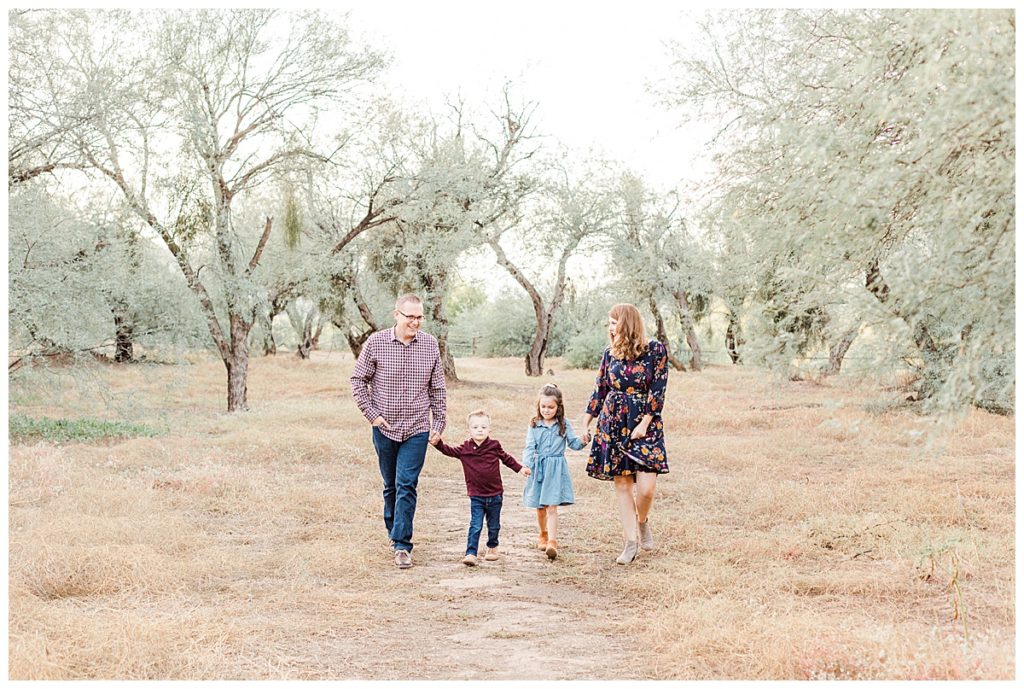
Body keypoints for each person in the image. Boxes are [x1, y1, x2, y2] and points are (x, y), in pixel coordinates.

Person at [350, 293, 446, 569]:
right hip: (385, 428)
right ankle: (394, 532)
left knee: (406, 484)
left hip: (417, 427)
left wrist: (438, 424)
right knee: (390, 485)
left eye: (419, 317)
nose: (415, 322)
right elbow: (358, 380)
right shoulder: (376, 343)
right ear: (397, 315)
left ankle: (402, 545)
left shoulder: (429, 346)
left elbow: (437, 388)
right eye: (410, 317)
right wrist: (373, 415)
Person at [582, 303, 669, 565]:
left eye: (613, 322)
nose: (609, 327)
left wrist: (645, 422)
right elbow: (600, 388)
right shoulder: (610, 353)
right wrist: (586, 421)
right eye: (608, 323)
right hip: (613, 421)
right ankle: (630, 542)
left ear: (628, 323)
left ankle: (642, 521)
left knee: (646, 489)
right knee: (622, 484)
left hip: (645, 422)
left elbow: (658, 388)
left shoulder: (654, 350)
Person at [430, 409, 531, 566]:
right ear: (469, 430)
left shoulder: (494, 446)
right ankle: (471, 552)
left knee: (494, 525)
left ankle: (492, 547)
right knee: (475, 524)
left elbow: (507, 459)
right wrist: (438, 443)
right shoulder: (465, 448)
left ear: (489, 429)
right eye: (475, 427)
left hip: (495, 493)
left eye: (483, 427)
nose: (479, 430)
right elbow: (448, 451)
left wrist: (520, 468)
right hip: (476, 495)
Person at [522, 383, 589, 560]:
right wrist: (526, 465)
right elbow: (529, 446)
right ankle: (542, 534)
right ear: (538, 406)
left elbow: (573, 444)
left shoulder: (564, 424)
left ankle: (552, 541)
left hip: (556, 469)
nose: (546, 410)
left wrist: (583, 441)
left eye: (551, 407)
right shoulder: (535, 424)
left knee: (552, 506)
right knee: (540, 507)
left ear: (558, 407)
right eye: (543, 406)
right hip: (539, 467)